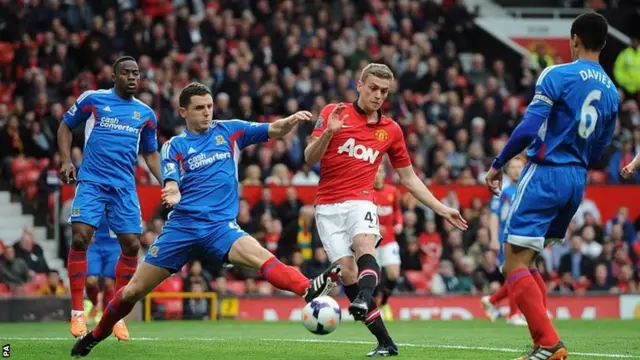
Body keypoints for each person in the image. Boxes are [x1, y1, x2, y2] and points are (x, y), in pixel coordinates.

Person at [71, 82, 341, 357]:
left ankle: (307, 288)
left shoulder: (230, 130)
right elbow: (170, 179)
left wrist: (291, 120)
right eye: (199, 108)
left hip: (220, 228)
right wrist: (173, 191)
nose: (207, 113)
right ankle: (95, 335)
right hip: (182, 229)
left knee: (261, 256)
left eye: (209, 107)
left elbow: (272, 130)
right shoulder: (174, 146)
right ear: (183, 111)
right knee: (131, 293)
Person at [304, 63, 467, 357]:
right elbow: (308, 157)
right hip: (326, 206)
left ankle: (365, 298)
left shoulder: (391, 130)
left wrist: (442, 209)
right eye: (373, 89)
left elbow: (409, 178)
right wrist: (329, 134)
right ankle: (386, 343)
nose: (378, 96)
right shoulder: (333, 112)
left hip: (361, 199)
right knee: (349, 272)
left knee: (364, 245)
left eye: (384, 91)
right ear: (359, 85)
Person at [485, 13, 617, 360]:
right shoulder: (611, 91)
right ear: (603, 43)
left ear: (574, 39)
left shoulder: (557, 75)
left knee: (512, 263)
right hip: (577, 180)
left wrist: (498, 164)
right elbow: (603, 148)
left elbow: (529, 128)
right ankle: (540, 346)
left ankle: (549, 342)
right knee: (527, 262)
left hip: (546, 173)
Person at [58, 55, 162, 340]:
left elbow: (150, 153)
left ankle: (116, 314)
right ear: (114, 76)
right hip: (92, 181)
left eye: (136, 74)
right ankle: (78, 312)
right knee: (80, 238)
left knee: (131, 245)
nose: (132, 78)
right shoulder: (93, 99)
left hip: (124, 187)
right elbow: (65, 126)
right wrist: (66, 160)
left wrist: (166, 180)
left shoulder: (146, 114)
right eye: (126, 73)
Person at [482, 157, 527, 326]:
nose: (516, 170)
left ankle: (493, 301)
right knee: (516, 274)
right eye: (513, 167)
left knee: (520, 274)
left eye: (520, 167)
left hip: (522, 236)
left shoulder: (525, 189)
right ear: (507, 171)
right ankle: (513, 314)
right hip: (506, 238)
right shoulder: (502, 190)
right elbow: (494, 215)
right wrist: (494, 239)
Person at [372, 163, 403, 321]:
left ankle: (384, 303)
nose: (378, 175)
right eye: (375, 172)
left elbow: (397, 210)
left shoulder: (392, 192)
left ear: (385, 174)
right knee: (372, 277)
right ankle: (371, 307)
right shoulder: (367, 193)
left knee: (393, 274)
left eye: (381, 172)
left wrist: (399, 223)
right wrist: (376, 228)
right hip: (372, 242)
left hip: (389, 240)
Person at [85, 216, 120, 327]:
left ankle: (106, 316)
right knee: (90, 281)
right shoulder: (93, 199)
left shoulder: (120, 200)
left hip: (114, 245)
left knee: (109, 283)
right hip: (95, 244)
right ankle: (95, 305)